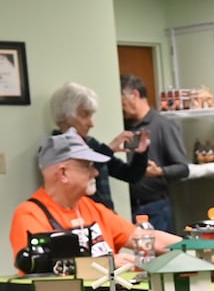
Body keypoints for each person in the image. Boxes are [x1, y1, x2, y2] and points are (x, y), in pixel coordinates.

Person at [7, 129, 180, 272]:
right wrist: (107, 264)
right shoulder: (30, 214)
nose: (95, 173)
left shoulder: (92, 208)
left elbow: (144, 238)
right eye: (86, 166)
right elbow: (40, 269)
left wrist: (196, 244)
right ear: (63, 173)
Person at [48, 82, 147, 212]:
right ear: (66, 117)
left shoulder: (91, 144)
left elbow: (131, 175)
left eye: (91, 115)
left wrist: (141, 153)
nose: (91, 123)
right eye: (84, 115)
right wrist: (109, 150)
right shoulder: (53, 147)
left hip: (106, 219)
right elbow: (81, 174)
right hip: (81, 222)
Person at [119, 74, 191, 234]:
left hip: (155, 208)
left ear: (135, 94)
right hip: (126, 209)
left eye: (121, 101)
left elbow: (183, 168)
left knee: (161, 257)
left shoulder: (163, 126)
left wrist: (159, 172)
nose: (120, 107)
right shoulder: (122, 127)